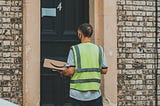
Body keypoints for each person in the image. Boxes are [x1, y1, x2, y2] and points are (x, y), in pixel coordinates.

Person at [58, 23, 108, 106]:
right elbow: (104, 70)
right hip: (95, 94)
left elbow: (70, 71)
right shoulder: (99, 49)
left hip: (77, 95)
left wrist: (62, 73)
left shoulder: (75, 49)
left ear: (79, 34)